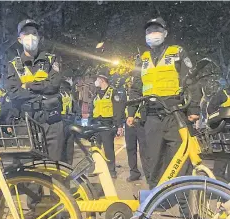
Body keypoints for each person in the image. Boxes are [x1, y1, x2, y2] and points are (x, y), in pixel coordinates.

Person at [127, 17, 201, 189]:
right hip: (151, 116)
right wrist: (131, 113)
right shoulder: (142, 59)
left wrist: (194, 108)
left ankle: (184, 204)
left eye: (157, 30)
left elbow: (191, 81)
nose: (153, 34)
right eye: (149, 31)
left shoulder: (177, 52)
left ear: (165, 33)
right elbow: (136, 88)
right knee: (153, 160)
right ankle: (158, 200)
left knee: (180, 158)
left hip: (174, 114)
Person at [5, 19, 64, 161]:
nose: (31, 37)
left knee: (54, 169)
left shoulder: (51, 59)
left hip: (51, 121)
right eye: (26, 34)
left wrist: (28, 86)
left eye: (34, 33)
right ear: (19, 39)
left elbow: (54, 85)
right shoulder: (13, 64)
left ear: (39, 37)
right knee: (29, 172)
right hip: (25, 121)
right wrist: (42, 87)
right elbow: (13, 93)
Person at [89, 69, 126, 179]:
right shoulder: (96, 93)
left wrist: (119, 126)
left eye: (97, 79)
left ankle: (111, 170)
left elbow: (118, 110)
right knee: (95, 148)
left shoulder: (113, 92)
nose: (96, 81)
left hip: (107, 124)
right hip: (96, 124)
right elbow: (93, 108)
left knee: (108, 149)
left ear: (102, 80)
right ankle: (96, 168)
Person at [207, 83, 230, 182]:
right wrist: (224, 113)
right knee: (221, 163)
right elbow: (210, 110)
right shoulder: (222, 94)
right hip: (223, 136)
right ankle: (217, 189)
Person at [60, 80, 81, 165]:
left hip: (65, 121)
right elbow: (76, 109)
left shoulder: (67, 96)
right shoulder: (66, 95)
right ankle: (67, 164)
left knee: (67, 145)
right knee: (66, 145)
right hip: (65, 120)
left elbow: (76, 108)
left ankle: (66, 164)